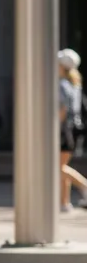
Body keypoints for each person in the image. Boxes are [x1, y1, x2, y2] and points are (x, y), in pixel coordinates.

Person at [58, 49, 87, 212]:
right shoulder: (75, 83)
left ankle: (84, 186)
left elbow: (62, 109)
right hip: (74, 129)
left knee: (57, 167)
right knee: (62, 166)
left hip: (63, 129)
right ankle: (65, 203)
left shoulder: (61, 84)